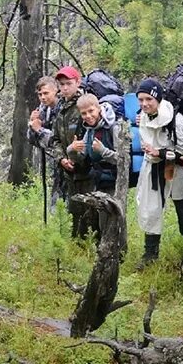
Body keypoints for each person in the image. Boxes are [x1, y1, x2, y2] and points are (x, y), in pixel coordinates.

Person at [133, 78, 183, 268]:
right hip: (153, 168)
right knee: (151, 208)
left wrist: (159, 152)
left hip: (176, 170)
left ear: (157, 98)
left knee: (182, 208)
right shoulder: (142, 116)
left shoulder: (176, 119)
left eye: (148, 99)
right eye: (140, 100)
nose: (144, 104)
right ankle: (150, 254)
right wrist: (152, 154)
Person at [63, 93, 130, 248]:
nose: (88, 116)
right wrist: (71, 149)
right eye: (84, 113)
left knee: (116, 219)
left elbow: (124, 160)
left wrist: (103, 151)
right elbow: (80, 157)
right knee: (103, 221)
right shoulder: (90, 131)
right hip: (100, 181)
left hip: (116, 182)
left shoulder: (115, 127)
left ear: (99, 108)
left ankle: (119, 254)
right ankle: (106, 253)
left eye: (91, 111)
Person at [49, 66, 92, 236]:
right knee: (74, 212)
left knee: (90, 213)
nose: (64, 88)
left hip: (88, 171)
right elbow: (55, 139)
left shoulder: (85, 104)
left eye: (68, 83)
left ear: (78, 82)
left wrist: (77, 158)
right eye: (61, 84)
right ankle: (77, 249)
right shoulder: (60, 108)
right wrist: (61, 159)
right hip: (69, 172)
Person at [28, 75, 61, 210]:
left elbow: (58, 140)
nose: (42, 97)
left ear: (56, 91)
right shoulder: (43, 110)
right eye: (40, 94)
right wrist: (32, 125)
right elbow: (32, 140)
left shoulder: (63, 109)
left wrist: (40, 130)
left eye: (46, 93)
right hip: (55, 162)